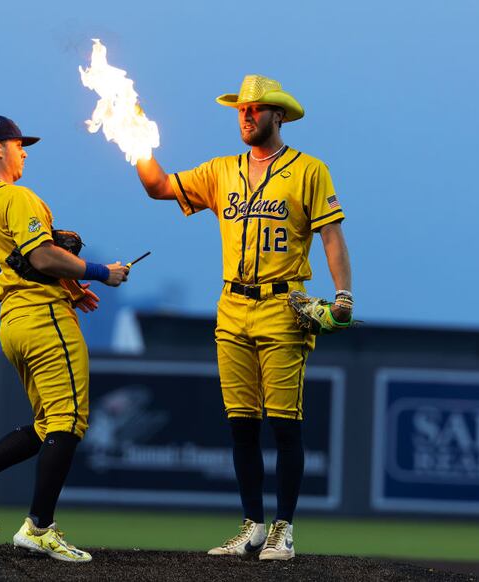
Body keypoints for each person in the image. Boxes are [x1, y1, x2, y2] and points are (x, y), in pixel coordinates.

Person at [134, 75, 353, 561]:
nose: (247, 115)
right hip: (232, 304)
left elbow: (331, 237)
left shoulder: (309, 170)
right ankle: (253, 524)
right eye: (241, 109)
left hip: (284, 304)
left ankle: (284, 529)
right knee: (240, 424)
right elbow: (157, 187)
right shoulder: (220, 171)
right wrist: (133, 136)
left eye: (256, 109)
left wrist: (342, 294)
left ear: (279, 115)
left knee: (284, 424)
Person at [0, 115, 129, 563]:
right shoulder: (16, 197)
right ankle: (39, 528)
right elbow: (42, 254)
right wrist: (101, 273)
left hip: (12, 323)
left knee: (47, 425)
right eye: (19, 144)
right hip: (44, 322)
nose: (24, 151)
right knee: (69, 421)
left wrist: (64, 285)